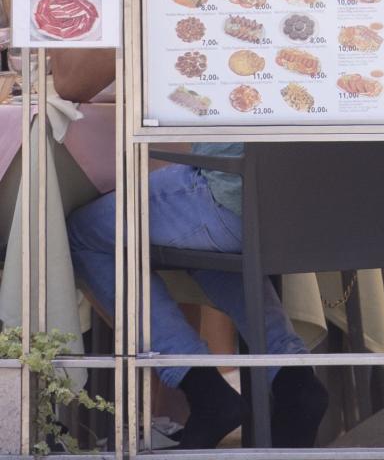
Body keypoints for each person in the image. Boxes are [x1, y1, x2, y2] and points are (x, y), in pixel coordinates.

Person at [63, 58, 328, 449]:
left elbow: (72, 80)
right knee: (191, 237)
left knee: (85, 232)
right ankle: (293, 381)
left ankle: (202, 388)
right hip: (331, 207)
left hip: (237, 192)